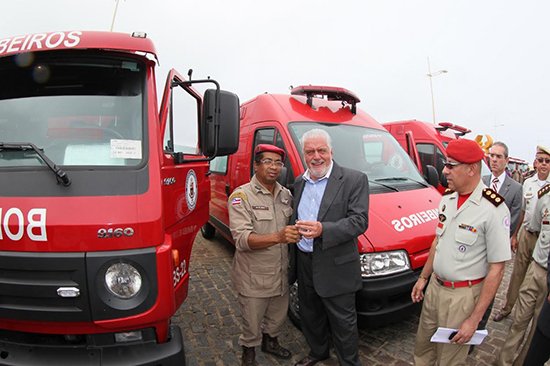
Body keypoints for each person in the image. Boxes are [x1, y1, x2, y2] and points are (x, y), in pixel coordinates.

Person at [411, 138, 511, 365]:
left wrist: (474, 319)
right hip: (435, 289)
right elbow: (438, 242)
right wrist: (423, 278)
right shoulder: (447, 199)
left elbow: (497, 268)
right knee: (423, 349)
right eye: (445, 164)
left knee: (449, 359)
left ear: (471, 169)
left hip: (462, 298)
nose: (444, 170)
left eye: (450, 165)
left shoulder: (493, 209)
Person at [291, 128, 369, 366]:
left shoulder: (354, 179)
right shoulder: (299, 182)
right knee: (310, 314)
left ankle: (349, 363)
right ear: (303, 154)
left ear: (331, 152)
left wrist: (323, 230)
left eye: (321, 150)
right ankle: (318, 352)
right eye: (310, 151)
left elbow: (359, 221)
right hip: (305, 260)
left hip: (336, 264)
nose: (316, 156)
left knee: (343, 322)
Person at [228, 144, 300, 366]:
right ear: (256, 165)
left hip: (279, 272)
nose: (274, 167)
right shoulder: (241, 197)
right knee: (252, 320)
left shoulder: (285, 195)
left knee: (277, 315)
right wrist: (278, 237)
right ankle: (248, 351)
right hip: (254, 276)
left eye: (278, 163)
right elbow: (241, 240)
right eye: (268, 161)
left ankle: (271, 342)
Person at [493, 145, 550, 322]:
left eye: (547, 161)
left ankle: (532, 313)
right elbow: (523, 212)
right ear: (535, 161)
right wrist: (515, 235)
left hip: (544, 239)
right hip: (526, 233)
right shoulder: (528, 183)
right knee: (517, 273)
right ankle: (507, 307)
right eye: (540, 160)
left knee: (537, 276)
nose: (543, 164)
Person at [496, 183, 550, 365]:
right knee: (519, 320)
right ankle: (503, 361)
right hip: (537, 268)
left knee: (537, 329)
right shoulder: (546, 195)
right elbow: (534, 225)